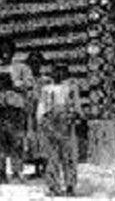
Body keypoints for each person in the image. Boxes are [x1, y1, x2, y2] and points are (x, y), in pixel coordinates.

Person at [0, 37, 34, 182]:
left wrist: (14, 84)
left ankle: (17, 171)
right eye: (1, 50)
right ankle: (0, 171)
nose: (4, 53)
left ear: (12, 52)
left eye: (7, 50)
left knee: (16, 140)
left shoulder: (21, 68)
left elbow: (30, 83)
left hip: (15, 108)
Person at [38, 64, 82, 197]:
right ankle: (53, 185)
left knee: (69, 155)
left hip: (66, 122)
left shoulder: (71, 88)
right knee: (52, 156)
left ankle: (70, 185)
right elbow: (42, 105)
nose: (58, 75)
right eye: (55, 72)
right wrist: (42, 119)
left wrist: (75, 115)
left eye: (62, 72)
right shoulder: (46, 89)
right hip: (50, 121)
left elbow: (76, 104)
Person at [25, 51, 53, 178]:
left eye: (37, 63)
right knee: (32, 139)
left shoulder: (46, 80)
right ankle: (36, 168)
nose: (34, 65)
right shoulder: (26, 81)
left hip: (43, 113)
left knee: (44, 138)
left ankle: (46, 167)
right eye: (32, 63)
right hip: (30, 113)